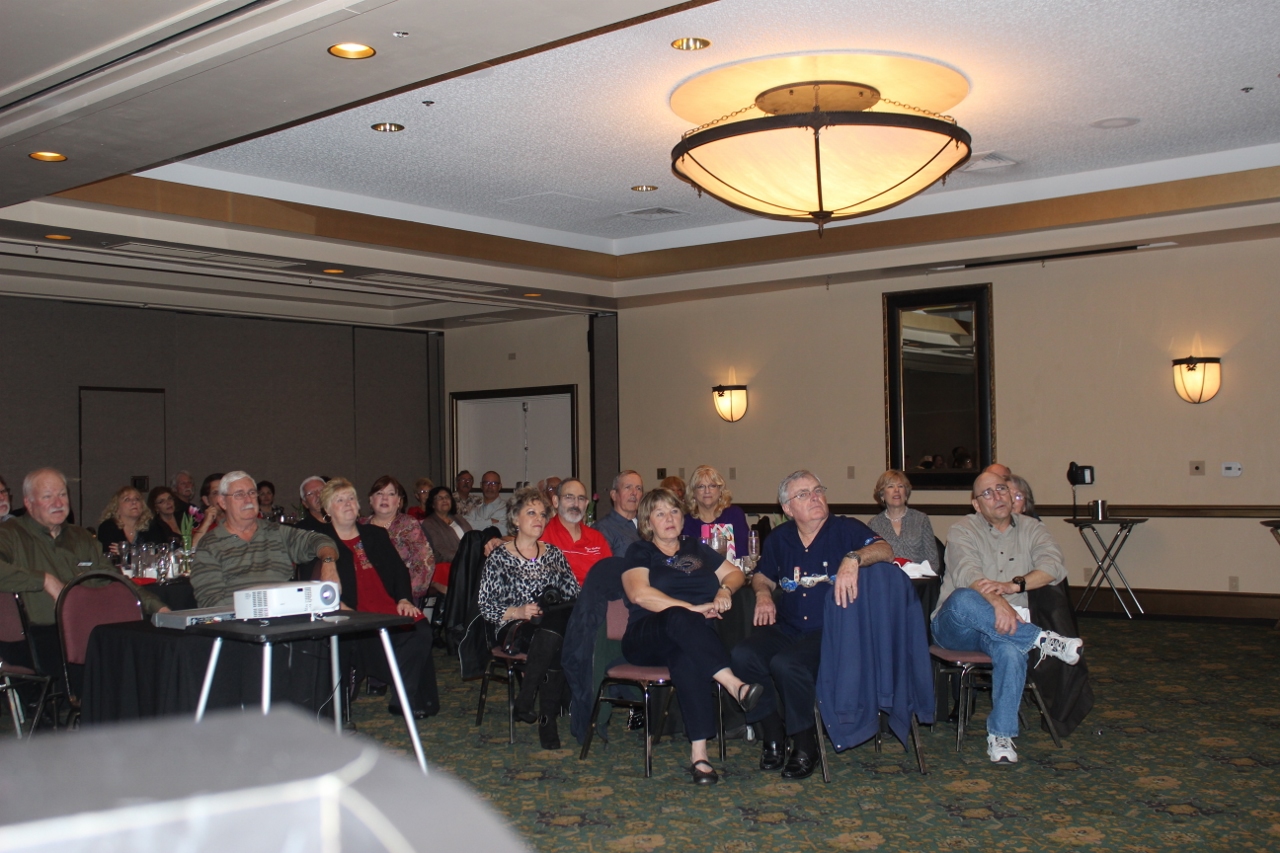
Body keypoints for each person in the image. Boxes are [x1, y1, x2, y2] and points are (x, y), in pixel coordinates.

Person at [731, 470, 893, 779]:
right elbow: (764, 574)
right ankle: (773, 735)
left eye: (818, 490)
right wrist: (763, 593)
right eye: (803, 494)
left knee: (786, 664)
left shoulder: (845, 529)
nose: (815, 497)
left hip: (832, 631)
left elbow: (885, 550)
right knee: (743, 655)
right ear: (788, 509)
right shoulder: (780, 538)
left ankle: (806, 744)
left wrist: (853, 558)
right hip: (789, 627)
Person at [932, 471, 1083, 764]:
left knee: (1011, 652)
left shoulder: (1031, 528)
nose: (997, 496)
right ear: (976, 504)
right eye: (986, 493)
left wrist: (1014, 586)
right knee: (964, 597)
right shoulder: (962, 529)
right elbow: (967, 573)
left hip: (1005, 629)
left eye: (1001, 489)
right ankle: (1040, 639)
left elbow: (1054, 566)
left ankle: (1001, 735)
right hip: (956, 625)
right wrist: (998, 602)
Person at [621, 488, 763, 785]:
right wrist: (692, 609)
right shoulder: (640, 551)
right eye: (660, 513)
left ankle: (700, 756)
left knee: (688, 657)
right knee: (678, 617)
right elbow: (639, 594)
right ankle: (734, 685)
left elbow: (735, 574)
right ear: (648, 521)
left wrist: (724, 589)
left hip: (689, 640)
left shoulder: (695, 547)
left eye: (674, 511)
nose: (669, 518)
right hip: (647, 636)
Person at [0, 469, 167, 676]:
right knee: (106, 661)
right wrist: (43, 580)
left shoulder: (80, 536)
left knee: (149, 648)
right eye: (47, 497)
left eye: (62, 494)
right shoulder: (10, 534)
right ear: (28, 502)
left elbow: (113, 579)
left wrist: (157, 608)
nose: (58, 503)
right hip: (40, 634)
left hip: (88, 629)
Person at [320, 478, 439, 719]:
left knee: (421, 630)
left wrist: (404, 598)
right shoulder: (320, 539)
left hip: (387, 605)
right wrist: (336, 606)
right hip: (353, 610)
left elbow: (398, 570)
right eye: (340, 500)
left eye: (351, 498)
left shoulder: (374, 534)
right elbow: (311, 580)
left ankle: (404, 697)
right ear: (327, 509)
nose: (347, 504)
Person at [477, 487, 580, 749]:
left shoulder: (555, 553)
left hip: (549, 625)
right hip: (515, 626)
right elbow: (486, 606)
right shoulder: (499, 556)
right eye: (531, 512)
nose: (539, 519)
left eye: (543, 514)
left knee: (556, 625)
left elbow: (573, 595)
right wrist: (518, 611)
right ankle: (547, 721)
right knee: (554, 636)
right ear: (515, 518)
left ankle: (527, 698)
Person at [190, 471, 338, 608]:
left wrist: (328, 562)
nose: (248, 500)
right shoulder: (209, 545)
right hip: (239, 625)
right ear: (222, 502)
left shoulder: (276, 532)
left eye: (252, 493)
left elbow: (321, 541)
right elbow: (210, 601)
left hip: (285, 616)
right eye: (239, 495)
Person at [361, 475, 436, 605]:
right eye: (379, 493)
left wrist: (403, 596)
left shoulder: (408, 524)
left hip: (401, 599)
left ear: (399, 501)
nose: (385, 498)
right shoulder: (360, 526)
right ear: (371, 500)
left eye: (391, 494)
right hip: (364, 597)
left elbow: (424, 564)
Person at [539, 478, 611, 584]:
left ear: (586, 504)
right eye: (569, 497)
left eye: (581, 498)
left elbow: (610, 576)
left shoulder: (597, 538)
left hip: (593, 598)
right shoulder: (542, 535)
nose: (576, 504)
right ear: (556, 501)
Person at [867, 470, 940, 567]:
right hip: (887, 580)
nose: (896, 490)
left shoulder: (921, 520)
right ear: (882, 495)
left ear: (906, 494)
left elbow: (933, 562)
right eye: (891, 486)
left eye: (900, 486)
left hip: (918, 579)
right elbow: (870, 561)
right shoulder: (874, 524)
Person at [680, 465, 750, 560]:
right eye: (701, 486)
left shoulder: (734, 514)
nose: (707, 491)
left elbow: (743, 552)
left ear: (720, 491)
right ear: (693, 493)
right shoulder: (686, 521)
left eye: (712, 486)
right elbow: (686, 557)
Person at [420, 486, 472, 593]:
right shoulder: (429, 523)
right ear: (432, 504)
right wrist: (463, 557)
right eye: (439, 498)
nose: (444, 500)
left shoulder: (458, 518)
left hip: (469, 559)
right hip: (449, 563)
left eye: (447, 497)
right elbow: (439, 549)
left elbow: (472, 537)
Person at [593, 470, 644, 556]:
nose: (634, 493)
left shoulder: (649, 525)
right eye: (628, 487)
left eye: (638, 488)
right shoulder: (602, 529)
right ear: (614, 495)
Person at [96, 486, 155, 555]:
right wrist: (140, 553)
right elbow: (110, 556)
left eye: (137, 499)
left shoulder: (150, 526)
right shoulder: (108, 527)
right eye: (127, 499)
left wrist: (126, 552)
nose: (134, 502)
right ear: (117, 507)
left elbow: (158, 553)